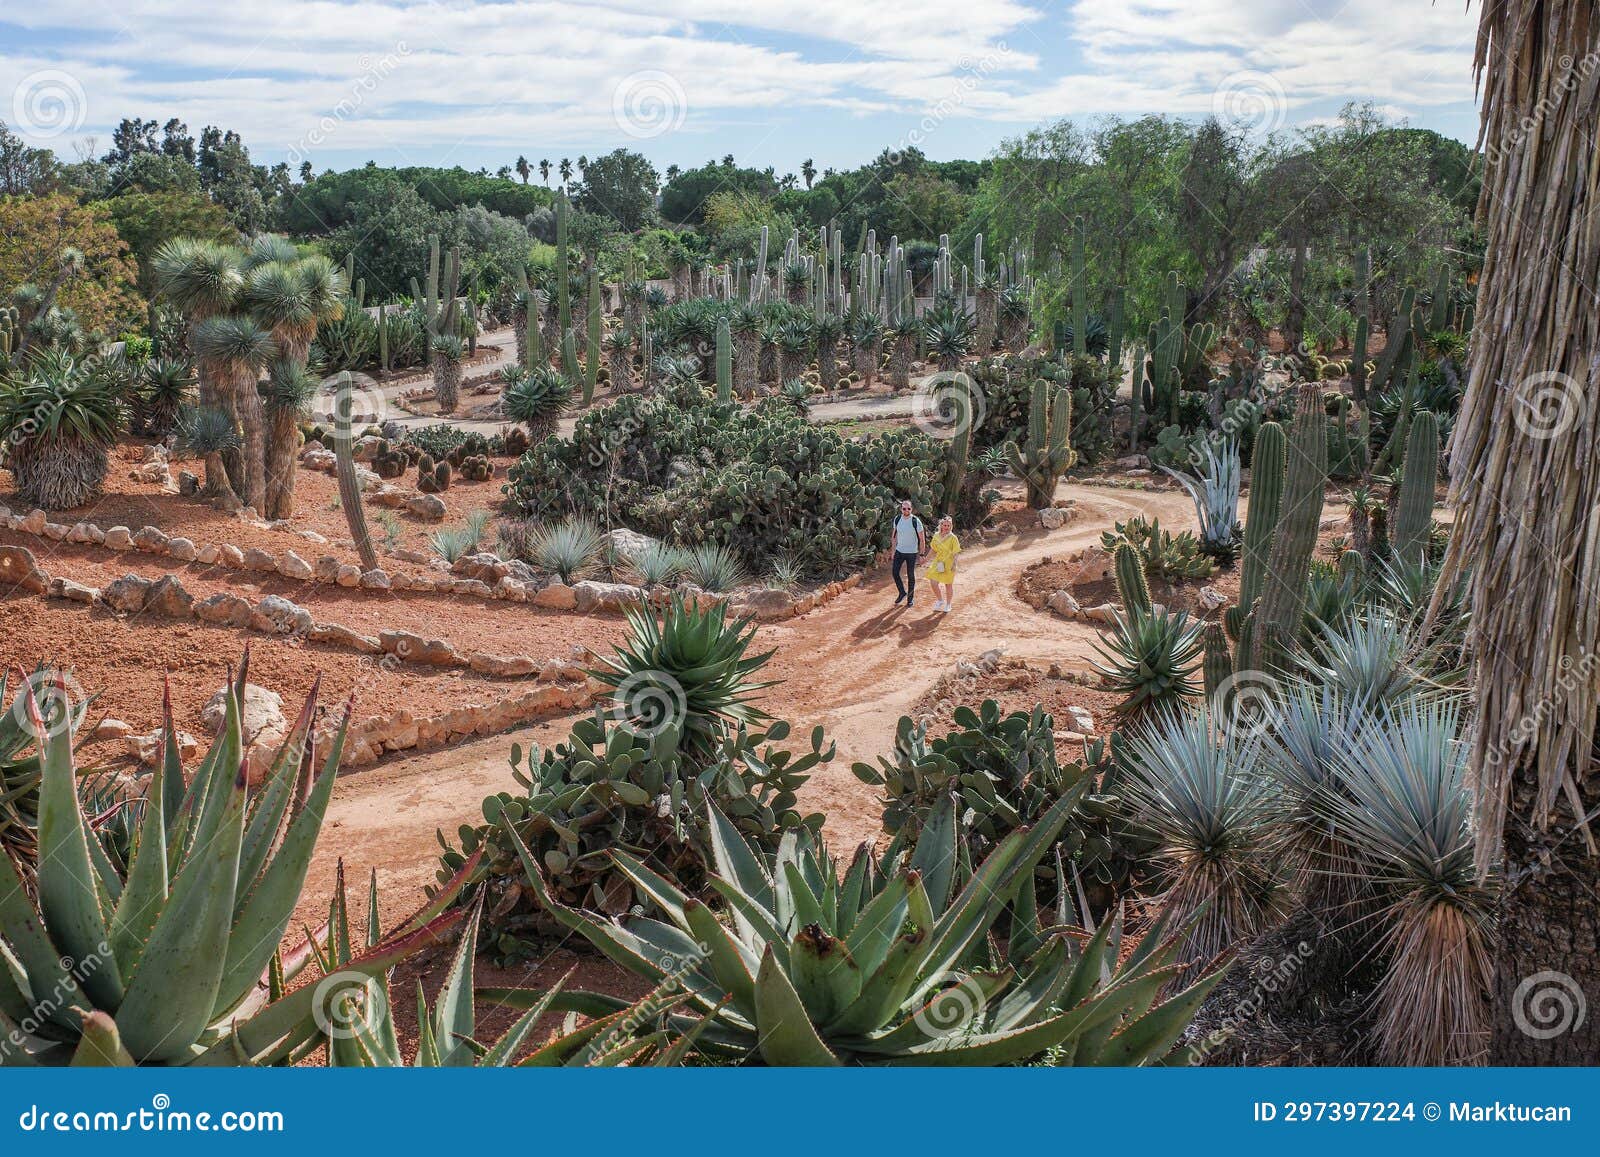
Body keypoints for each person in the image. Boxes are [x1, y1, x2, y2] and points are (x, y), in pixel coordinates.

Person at [889, 499, 926, 606]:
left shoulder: (916, 521)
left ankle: (910, 599)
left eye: (908, 508)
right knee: (895, 573)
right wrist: (893, 550)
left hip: (911, 553)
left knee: (910, 576)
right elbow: (894, 536)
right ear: (901, 509)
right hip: (899, 551)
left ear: (911, 509)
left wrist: (922, 554)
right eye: (904, 508)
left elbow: (922, 539)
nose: (906, 510)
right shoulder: (897, 519)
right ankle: (902, 592)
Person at [926, 515, 962, 612]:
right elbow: (933, 549)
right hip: (938, 562)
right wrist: (926, 559)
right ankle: (940, 600)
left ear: (951, 526)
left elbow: (956, 552)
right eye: (945, 525)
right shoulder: (936, 536)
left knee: (948, 584)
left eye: (948, 526)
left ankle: (948, 604)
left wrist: (954, 565)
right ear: (941, 525)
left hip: (949, 563)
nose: (946, 527)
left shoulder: (953, 538)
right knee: (933, 582)